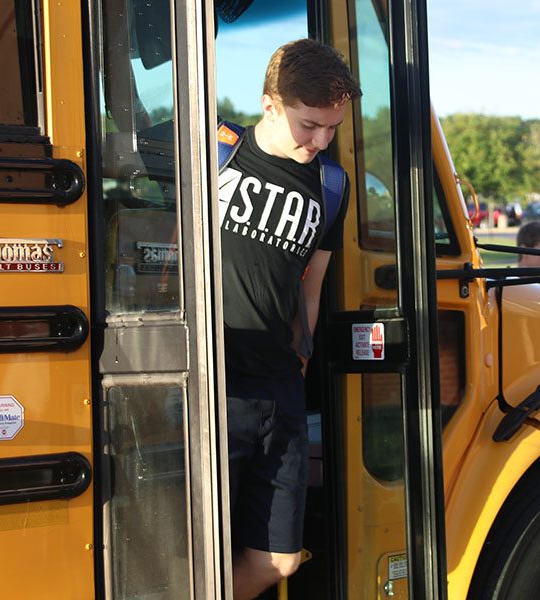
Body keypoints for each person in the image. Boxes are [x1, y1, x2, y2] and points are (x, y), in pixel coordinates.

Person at [217, 39, 361, 599]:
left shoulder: (331, 186)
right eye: (309, 125)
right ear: (270, 104)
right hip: (210, 380)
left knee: (278, 560)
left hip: (278, 389)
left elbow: (313, 285)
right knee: (191, 540)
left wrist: (301, 355)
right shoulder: (215, 151)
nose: (321, 141)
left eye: (333, 128)